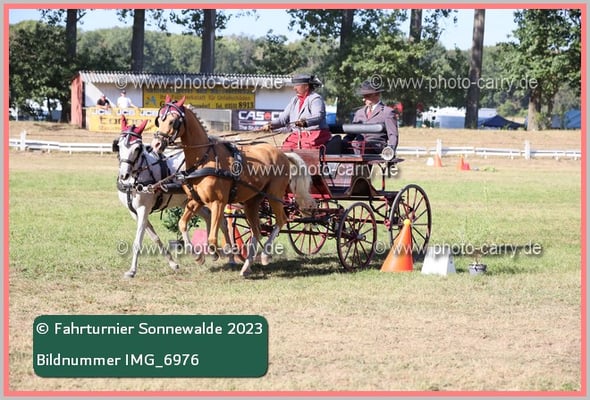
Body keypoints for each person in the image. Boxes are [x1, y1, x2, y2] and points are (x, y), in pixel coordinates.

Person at [263, 74, 331, 150]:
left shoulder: (316, 99)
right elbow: (282, 119)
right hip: (297, 136)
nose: (294, 88)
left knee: (306, 151)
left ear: (306, 86)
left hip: (315, 134)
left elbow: (318, 116)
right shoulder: (294, 100)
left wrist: (305, 122)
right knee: (285, 149)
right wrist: (271, 125)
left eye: (297, 85)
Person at [343, 80, 399, 155]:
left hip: (375, 147)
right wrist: (343, 142)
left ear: (377, 95)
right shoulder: (359, 113)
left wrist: (390, 150)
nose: (364, 99)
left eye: (367, 96)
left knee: (359, 145)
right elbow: (351, 134)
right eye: (363, 96)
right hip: (357, 146)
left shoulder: (387, 112)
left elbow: (392, 135)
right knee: (337, 143)